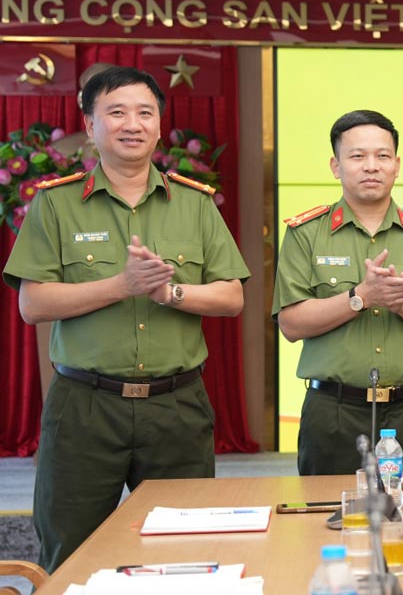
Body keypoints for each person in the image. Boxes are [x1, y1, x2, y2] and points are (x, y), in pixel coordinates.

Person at [3, 66, 249, 572]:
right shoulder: (55, 203)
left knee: (188, 549)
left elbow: (231, 298)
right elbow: (34, 305)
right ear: (90, 125)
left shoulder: (196, 204)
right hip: (85, 407)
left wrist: (169, 291)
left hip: (176, 407)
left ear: (159, 126)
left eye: (145, 112)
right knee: (70, 552)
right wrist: (121, 286)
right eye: (116, 112)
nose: (131, 123)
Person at [274, 110, 403, 475]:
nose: (371, 166)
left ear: (396, 165)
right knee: (327, 520)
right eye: (357, 156)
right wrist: (359, 297)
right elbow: (291, 324)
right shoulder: (305, 233)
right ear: (336, 166)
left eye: (382, 156)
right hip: (333, 411)